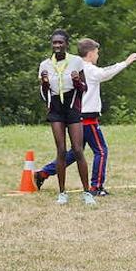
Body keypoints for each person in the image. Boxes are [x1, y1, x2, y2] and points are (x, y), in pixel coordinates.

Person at [36, 39, 136, 196]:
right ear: (90, 54)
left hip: (75, 116)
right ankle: (96, 187)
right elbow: (106, 73)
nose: (98, 56)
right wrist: (125, 62)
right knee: (101, 151)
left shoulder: (73, 66)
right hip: (87, 118)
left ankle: (43, 173)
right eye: (97, 53)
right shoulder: (89, 69)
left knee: (75, 153)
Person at [39, 29, 96, 206]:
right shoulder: (45, 65)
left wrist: (77, 81)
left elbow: (84, 88)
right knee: (61, 150)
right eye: (54, 43)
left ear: (66, 44)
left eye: (60, 43)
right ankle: (62, 192)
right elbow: (43, 94)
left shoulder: (76, 61)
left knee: (78, 150)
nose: (57, 45)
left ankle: (87, 192)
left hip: (72, 108)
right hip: (56, 109)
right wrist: (45, 84)